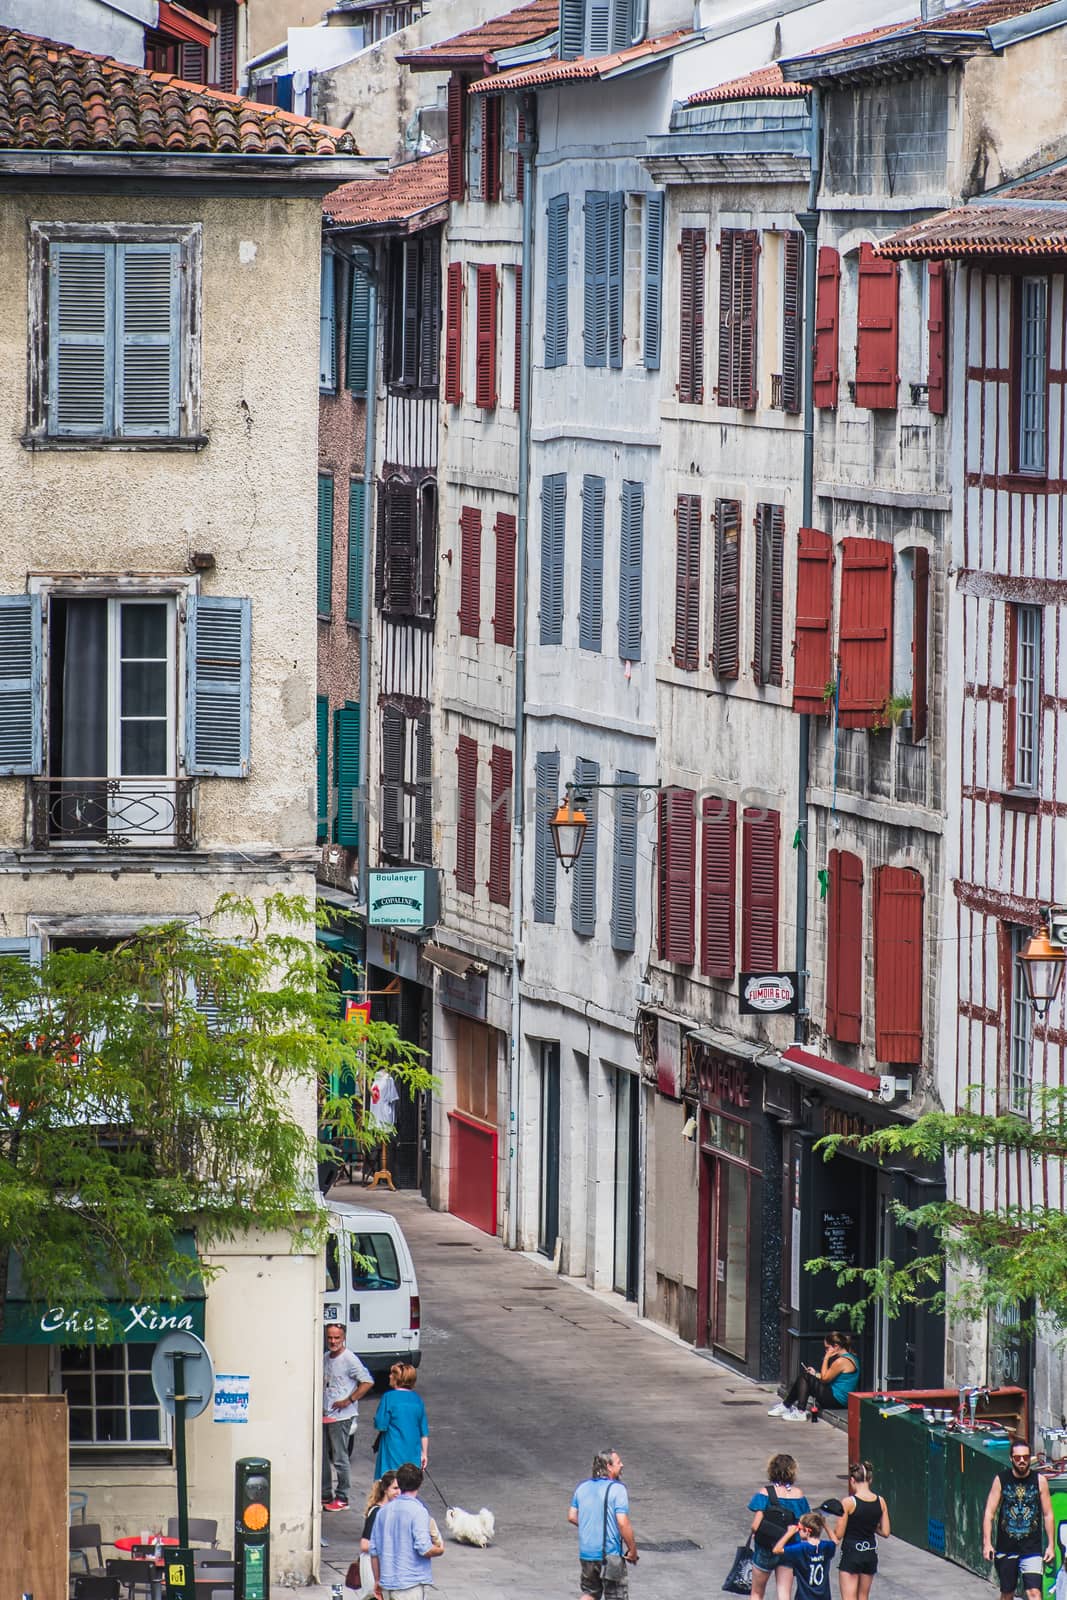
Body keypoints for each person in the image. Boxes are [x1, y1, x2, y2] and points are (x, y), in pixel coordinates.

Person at [983, 1438, 1054, 1600]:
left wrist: (1050, 1545)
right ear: (1011, 1459)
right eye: (1017, 1457)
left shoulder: (1040, 1481)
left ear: (1030, 1458)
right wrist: (987, 1543)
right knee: (1007, 1593)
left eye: (1025, 1457)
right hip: (1006, 1548)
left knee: (1034, 1593)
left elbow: (1048, 1514)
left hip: (1031, 1548)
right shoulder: (1001, 1480)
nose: (1022, 1461)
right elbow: (989, 1513)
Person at [568, 1448, 639, 1600]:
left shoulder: (582, 1487)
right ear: (609, 1466)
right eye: (618, 1462)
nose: (622, 1465)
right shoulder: (617, 1489)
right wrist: (632, 1550)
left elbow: (572, 1516)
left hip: (587, 1553)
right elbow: (622, 1523)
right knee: (616, 1595)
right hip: (609, 1554)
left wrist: (591, 1527)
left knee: (590, 1593)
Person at [369, 1461, 444, 1600]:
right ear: (419, 1484)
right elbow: (424, 1548)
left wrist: (377, 1580)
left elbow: (373, 1550)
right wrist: (440, 1550)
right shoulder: (418, 1511)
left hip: (387, 1582)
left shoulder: (383, 1511)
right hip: (410, 1583)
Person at [323, 1323, 374, 1511]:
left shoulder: (349, 1359)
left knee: (339, 1457)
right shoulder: (326, 1358)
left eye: (337, 1338)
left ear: (343, 1338)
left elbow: (367, 1381)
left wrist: (348, 1400)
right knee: (322, 1457)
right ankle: (325, 1493)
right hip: (326, 1413)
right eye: (330, 1337)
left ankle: (343, 1496)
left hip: (342, 1416)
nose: (333, 1341)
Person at [748, 1453, 811, 1600]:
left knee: (757, 1592)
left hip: (766, 1547)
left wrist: (754, 1533)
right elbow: (804, 1527)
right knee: (784, 1594)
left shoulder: (765, 1493)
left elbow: (755, 1526)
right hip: (789, 1547)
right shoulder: (798, 1495)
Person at [772, 1333, 860, 1422]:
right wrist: (815, 1374)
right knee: (805, 1378)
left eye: (827, 1348)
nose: (826, 1351)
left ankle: (799, 1411)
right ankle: (786, 1406)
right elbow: (830, 1377)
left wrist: (826, 1358)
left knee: (805, 1377)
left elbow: (825, 1379)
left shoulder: (841, 1361)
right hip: (839, 1398)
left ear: (836, 1346)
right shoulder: (851, 1357)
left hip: (837, 1400)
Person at [837, 1462, 890, 1600]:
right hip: (870, 1553)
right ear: (870, 1480)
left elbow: (839, 1534)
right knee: (863, 1596)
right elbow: (885, 1532)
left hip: (852, 1552)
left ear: (852, 1480)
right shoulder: (881, 1501)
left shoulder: (848, 1502)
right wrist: (872, 1527)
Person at [374, 1363, 430, 1476]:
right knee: (409, 1483)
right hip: (413, 1451)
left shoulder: (388, 1397)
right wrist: (424, 1454)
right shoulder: (417, 1399)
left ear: (397, 1378)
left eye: (392, 1374)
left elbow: (380, 1425)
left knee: (389, 1482)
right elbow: (423, 1431)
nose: (389, 1376)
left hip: (392, 1448)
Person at [772, 1511, 839, 1600]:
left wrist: (789, 1533)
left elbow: (777, 1549)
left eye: (799, 1528)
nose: (798, 1531)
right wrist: (824, 1523)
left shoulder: (800, 1548)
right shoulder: (826, 1546)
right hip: (824, 1596)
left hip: (804, 1597)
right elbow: (835, 1541)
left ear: (807, 1531)